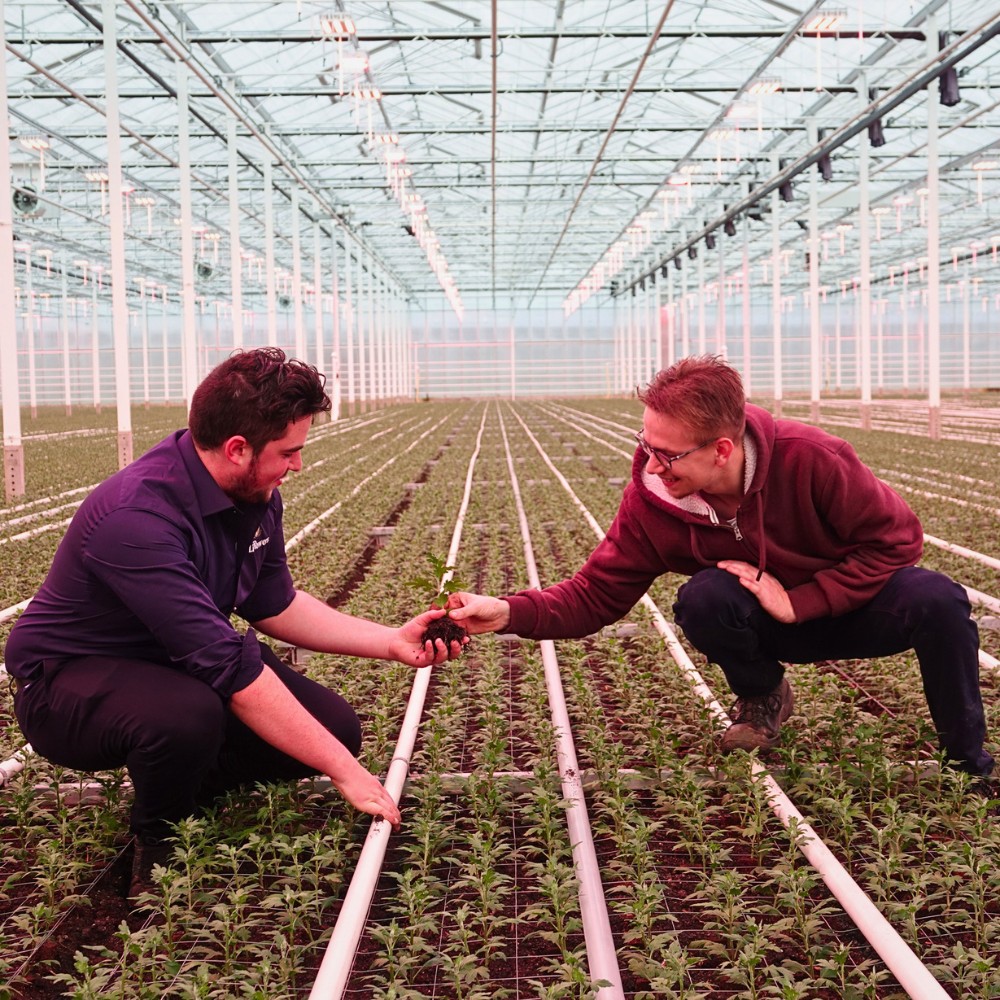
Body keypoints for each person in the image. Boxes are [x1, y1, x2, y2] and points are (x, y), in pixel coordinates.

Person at [5, 347, 463, 894]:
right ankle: (158, 840)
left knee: (335, 727)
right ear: (237, 448)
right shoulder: (137, 517)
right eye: (290, 451)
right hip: (68, 685)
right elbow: (225, 666)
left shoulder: (256, 492)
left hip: (173, 663)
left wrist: (391, 642)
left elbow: (276, 605)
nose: (299, 465)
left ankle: (186, 785)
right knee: (188, 715)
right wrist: (344, 772)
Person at [447, 355, 993, 779]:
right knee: (705, 599)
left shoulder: (812, 459)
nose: (653, 467)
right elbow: (595, 594)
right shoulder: (653, 501)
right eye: (647, 444)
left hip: (852, 611)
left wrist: (802, 600)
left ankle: (966, 756)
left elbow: (897, 541)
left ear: (723, 449)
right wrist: (507, 612)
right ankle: (762, 696)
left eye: (669, 454)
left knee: (940, 599)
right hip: (767, 629)